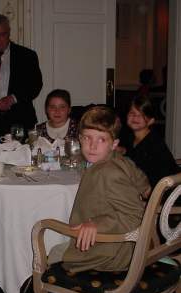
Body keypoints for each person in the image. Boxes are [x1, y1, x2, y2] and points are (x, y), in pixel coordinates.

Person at [60, 105, 150, 273]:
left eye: (101, 140)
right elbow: (141, 180)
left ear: (114, 143)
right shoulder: (119, 159)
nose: (92, 146)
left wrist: (96, 224)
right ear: (79, 139)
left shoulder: (108, 173)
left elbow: (136, 216)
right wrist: (145, 190)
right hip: (117, 248)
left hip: (107, 255)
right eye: (87, 138)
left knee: (51, 251)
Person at [0, 13, 43, 137]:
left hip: (19, 121)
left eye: (2, 34)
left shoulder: (27, 56)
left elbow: (35, 85)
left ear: (9, 32)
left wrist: (13, 98)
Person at [122, 95, 179, 188]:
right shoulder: (129, 137)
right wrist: (123, 150)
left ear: (151, 121)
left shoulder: (154, 143)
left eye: (142, 114)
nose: (135, 117)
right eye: (132, 113)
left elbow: (154, 174)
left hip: (162, 192)